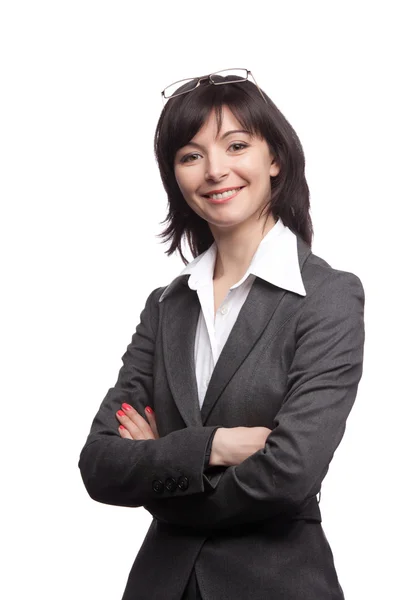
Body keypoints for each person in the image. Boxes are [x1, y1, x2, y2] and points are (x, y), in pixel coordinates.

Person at [78, 68, 365, 600]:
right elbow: (99, 464)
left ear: (274, 158)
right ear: (176, 178)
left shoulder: (328, 297)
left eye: (236, 145)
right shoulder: (165, 307)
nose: (215, 171)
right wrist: (217, 445)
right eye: (191, 155)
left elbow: (291, 472)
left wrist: (165, 471)